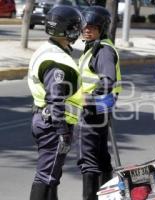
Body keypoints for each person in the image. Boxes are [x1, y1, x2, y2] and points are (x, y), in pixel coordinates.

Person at [27, 6, 83, 200]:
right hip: (53, 124)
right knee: (46, 176)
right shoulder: (57, 60)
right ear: (66, 29)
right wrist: (62, 131)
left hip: (44, 119)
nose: (78, 31)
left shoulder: (47, 50)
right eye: (75, 27)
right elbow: (56, 98)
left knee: (52, 176)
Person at [75, 6, 122, 200]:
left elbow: (107, 80)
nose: (87, 30)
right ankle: (106, 195)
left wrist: (90, 99)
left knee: (89, 160)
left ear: (101, 29)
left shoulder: (102, 50)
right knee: (101, 157)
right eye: (85, 26)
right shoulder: (95, 47)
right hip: (99, 111)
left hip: (93, 111)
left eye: (92, 27)